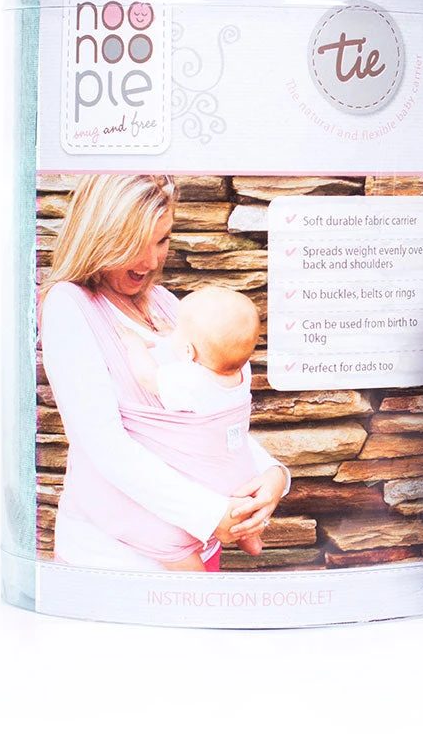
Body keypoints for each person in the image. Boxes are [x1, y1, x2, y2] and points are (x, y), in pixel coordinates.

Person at [39, 174, 288, 571]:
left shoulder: (166, 304)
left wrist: (271, 474)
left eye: (161, 240)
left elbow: (206, 417)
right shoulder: (70, 306)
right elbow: (105, 446)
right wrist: (212, 514)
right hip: (118, 561)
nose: (152, 261)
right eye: (136, 243)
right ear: (100, 236)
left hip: (200, 541)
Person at [119, 285, 268, 566]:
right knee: (241, 509)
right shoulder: (240, 373)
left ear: (188, 350)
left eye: (178, 330)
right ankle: (250, 538)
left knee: (173, 538)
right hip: (241, 471)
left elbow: (149, 377)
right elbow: (197, 355)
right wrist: (172, 337)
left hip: (204, 476)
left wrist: (134, 345)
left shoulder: (191, 382)